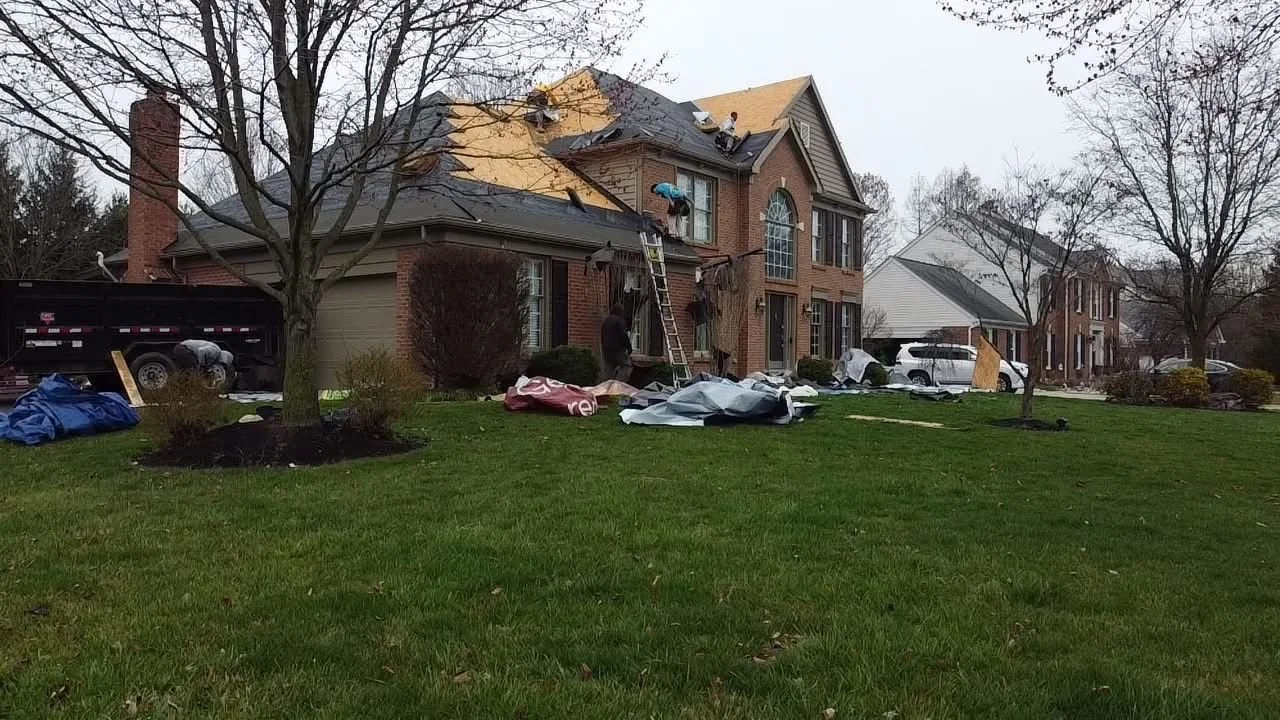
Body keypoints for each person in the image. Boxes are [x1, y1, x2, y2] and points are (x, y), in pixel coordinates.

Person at [600, 304, 633, 382]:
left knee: (609, 370)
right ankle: (618, 385)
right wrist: (629, 347)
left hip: (606, 350)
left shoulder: (606, 321)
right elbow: (623, 335)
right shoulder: (620, 320)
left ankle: (608, 388)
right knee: (626, 366)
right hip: (618, 349)